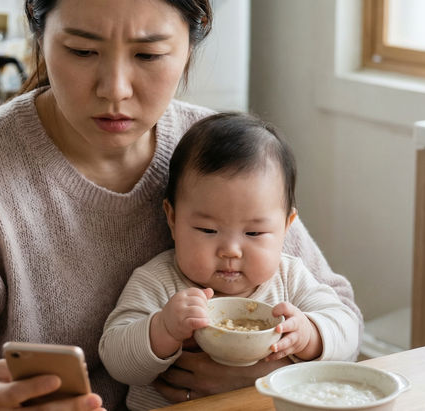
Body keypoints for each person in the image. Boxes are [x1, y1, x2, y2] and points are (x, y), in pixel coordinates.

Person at [0, 0, 362, 410]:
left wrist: (268, 370)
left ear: (191, 44)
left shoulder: (217, 155)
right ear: (39, 38)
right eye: (83, 50)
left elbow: (334, 309)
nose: (116, 89)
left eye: (148, 55)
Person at [99, 113, 361, 410]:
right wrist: (163, 328)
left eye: (254, 232)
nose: (231, 251)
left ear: (287, 227)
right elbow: (116, 361)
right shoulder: (158, 281)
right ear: (172, 219)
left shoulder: (291, 278)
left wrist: (309, 335)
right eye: (208, 230)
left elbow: (347, 330)